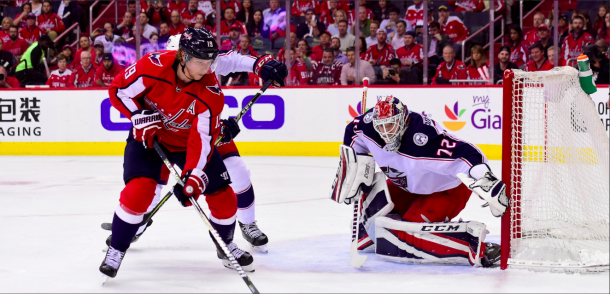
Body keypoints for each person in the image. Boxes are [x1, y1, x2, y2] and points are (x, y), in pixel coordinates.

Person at [100, 28, 287, 278]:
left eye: (210, 62)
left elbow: (201, 139)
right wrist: (138, 116)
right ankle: (120, 243)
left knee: (226, 193)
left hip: (191, 140)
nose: (206, 68)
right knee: (140, 191)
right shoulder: (153, 66)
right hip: (152, 137)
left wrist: (194, 175)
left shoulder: (210, 91)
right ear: (181, 56)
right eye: (200, 62)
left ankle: (227, 243)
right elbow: (119, 90)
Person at [333, 96, 504, 267]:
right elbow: (353, 130)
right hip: (407, 185)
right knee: (368, 228)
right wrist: (353, 169)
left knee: (406, 235)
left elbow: (469, 153)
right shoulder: (367, 126)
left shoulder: (424, 137)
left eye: (391, 125)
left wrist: (485, 179)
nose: (386, 132)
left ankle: (472, 243)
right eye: (381, 126)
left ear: (403, 119)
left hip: (447, 189)